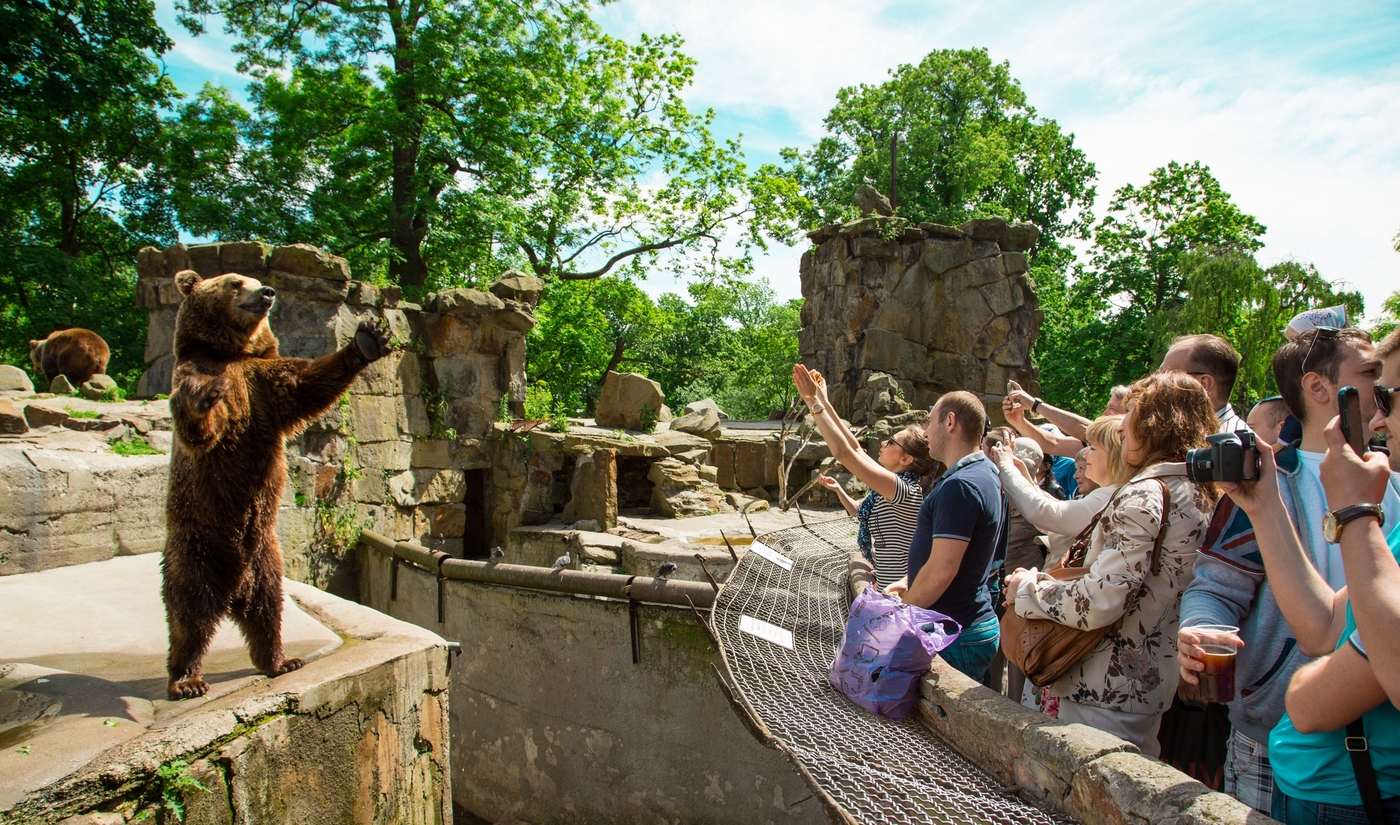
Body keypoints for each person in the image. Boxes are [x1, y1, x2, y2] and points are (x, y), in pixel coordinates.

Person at [1180, 327, 1400, 815]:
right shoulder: (1265, 481)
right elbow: (1219, 587)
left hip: (1376, 761)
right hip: (1277, 738)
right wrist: (1201, 627)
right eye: (1371, 378)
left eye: (1386, 385)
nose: (1381, 399)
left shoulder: (1390, 486)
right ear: (1319, 389)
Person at [1004, 372, 1217, 755]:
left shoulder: (1145, 494)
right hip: (1147, 686)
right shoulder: (1198, 491)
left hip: (1101, 688)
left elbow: (1103, 597)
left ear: (1155, 424)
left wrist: (1029, 590)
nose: (1121, 429)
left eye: (1131, 413)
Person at [1272, 326, 1400, 823]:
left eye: (1386, 395)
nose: (1379, 419)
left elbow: (1308, 706)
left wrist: (1353, 512)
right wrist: (1263, 506)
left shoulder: (1367, 497)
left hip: (1357, 792)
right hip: (1323, 781)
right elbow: (1324, 626)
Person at [988, 417, 1130, 707]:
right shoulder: (1112, 494)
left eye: (1094, 448)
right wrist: (1023, 476)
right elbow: (1055, 516)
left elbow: (1049, 515)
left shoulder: (1112, 495)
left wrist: (1004, 465)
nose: (1085, 454)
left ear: (1115, 456)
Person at [886, 391, 1006, 685]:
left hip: (954, 634)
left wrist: (902, 616)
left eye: (929, 422)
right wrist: (909, 580)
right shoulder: (985, 472)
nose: (925, 433)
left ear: (950, 421)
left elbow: (942, 572)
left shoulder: (962, 485)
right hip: (967, 625)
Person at [794, 365, 935, 590]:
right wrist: (824, 400)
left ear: (907, 459)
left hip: (900, 597)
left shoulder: (903, 490)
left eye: (891, 441)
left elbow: (844, 453)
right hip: (886, 588)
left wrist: (812, 403)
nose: (883, 443)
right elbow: (855, 448)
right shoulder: (894, 483)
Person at [1003, 382, 1127, 458]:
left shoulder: (1125, 443)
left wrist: (1035, 405)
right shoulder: (1096, 444)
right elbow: (1053, 444)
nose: (1105, 412)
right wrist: (1020, 422)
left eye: (1112, 408)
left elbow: (1085, 429)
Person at [1159, 334, 1249, 434]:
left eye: (1168, 376)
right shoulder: (1190, 434)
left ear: (1203, 384)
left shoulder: (1234, 444)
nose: (1156, 383)